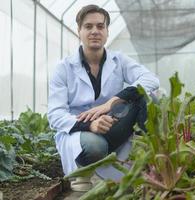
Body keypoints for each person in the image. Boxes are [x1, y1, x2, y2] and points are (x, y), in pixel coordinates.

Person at [47, 4, 159, 191]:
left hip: (113, 125)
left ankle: (143, 161)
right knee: (95, 145)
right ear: (79, 31)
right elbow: (55, 115)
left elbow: (150, 79)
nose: (95, 31)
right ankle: (83, 172)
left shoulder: (119, 60)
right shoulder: (63, 68)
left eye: (100, 26)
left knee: (149, 98)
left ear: (107, 32)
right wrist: (90, 124)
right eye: (88, 26)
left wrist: (111, 103)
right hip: (81, 132)